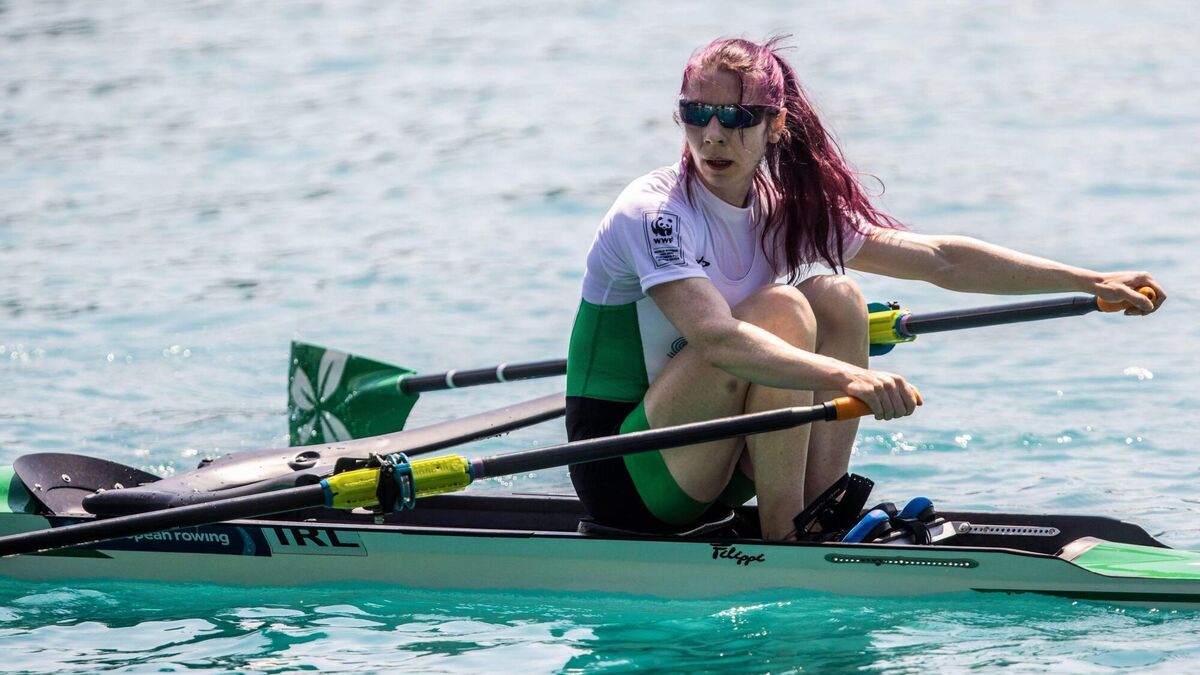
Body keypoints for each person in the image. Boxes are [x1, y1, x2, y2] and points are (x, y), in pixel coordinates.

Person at [565, 37, 1165, 541]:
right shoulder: (654, 213)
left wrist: (1090, 281)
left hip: (708, 457)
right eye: (697, 113)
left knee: (838, 297)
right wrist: (849, 378)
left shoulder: (783, 210)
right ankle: (787, 537)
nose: (714, 135)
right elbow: (716, 337)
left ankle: (820, 511)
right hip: (624, 472)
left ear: (776, 126)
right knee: (782, 309)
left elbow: (941, 260)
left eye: (737, 117)